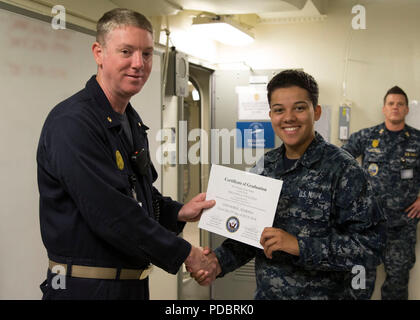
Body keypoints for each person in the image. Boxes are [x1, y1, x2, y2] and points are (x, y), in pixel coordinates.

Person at [36, 8, 216, 300]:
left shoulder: (128, 120)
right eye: (126, 51)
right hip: (86, 290)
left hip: (128, 286)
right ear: (99, 53)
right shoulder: (73, 123)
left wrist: (178, 211)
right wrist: (187, 254)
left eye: (146, 54)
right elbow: (113, 214)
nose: (138, 64)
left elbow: (138, 196)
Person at [192, 70, 386, 300]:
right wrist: (218, 262)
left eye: (300, 108)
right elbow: (251, 234)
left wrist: (300, 245)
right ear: (271, 115)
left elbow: (371, 248)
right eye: (279, 110)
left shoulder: (344, 170)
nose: (289, 117)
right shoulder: (265, 166)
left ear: (317, 112)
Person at [342, 86, 420, 300]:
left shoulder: (417, 139)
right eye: (391, 103)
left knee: (397, 282)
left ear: (406, 110)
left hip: (402, 225)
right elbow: (340, 161)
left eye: (400, 104)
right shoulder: (367, 136)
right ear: (384, 109)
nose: (395, 107)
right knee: (358, 282)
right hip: (368, 224)